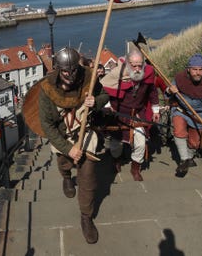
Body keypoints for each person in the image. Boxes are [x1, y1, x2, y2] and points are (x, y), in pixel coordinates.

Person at [38, 47, 109, 244]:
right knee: (64, 164)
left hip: (84, 135)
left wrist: (95, 101)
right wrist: (68, 149)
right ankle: (67, 177)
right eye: (65, 71)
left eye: (73, 70)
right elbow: (47, 126)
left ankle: (86, 217)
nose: (70, 75)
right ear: (59, 70)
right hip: (62, 138)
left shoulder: (88, 77)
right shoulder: (47, 90)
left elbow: (105, 96)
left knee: (87, 178)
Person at [100, 49, 161, 181]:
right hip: (117, 115)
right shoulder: (116, 76)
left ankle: (135, 168)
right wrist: (107, 107)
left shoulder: (148, 74)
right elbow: (103, 92)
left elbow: (152, 93)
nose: (138, 69)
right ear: (128, 63)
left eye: (140, 65)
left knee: (140, 142)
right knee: (115, 145)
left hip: (137, 114)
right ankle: (117, 160)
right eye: (134, 65)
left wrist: (156, 110)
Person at [166, 53, 202, 178]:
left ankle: (188, 156)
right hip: (180, 110)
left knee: (195, 143)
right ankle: (184, 160)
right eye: (194, 69)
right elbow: (167, 93)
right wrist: (170, 91)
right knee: (179, 131)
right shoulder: (180, 78)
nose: (197, 73)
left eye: (200, 70)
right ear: (188, 69)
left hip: (199, 115)